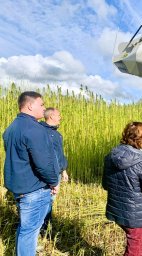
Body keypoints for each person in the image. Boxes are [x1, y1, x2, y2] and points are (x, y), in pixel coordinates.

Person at [3, 91, 59, 255]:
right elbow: (43, 164)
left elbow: (19, 159)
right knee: (30, 230)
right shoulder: (35, 129)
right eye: (41, 104)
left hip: (18, 187)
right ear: (29, 105)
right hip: (34, 189)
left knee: (26, 226)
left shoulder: (11, 128)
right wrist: (53, 182)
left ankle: (27, 249)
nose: (43, 108)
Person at [102, 122, 142, 256]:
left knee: (133, 244)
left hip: (117, 209)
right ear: (138, 139)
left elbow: (106, 184)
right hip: (135, 215)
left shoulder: (111, 156)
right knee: (136, 249)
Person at [40, 107, 69, 236]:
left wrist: (63, 171)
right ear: (51, 116)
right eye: (58, 115)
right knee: (47, 199)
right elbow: (47, 157)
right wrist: (52, 177)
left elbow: (59, 155)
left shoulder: (57, 134)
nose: (60, 117)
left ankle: (46, 226)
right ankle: (44, 228)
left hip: (57, 172)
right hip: (49, 173)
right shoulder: (42, 132)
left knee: (50, 199)